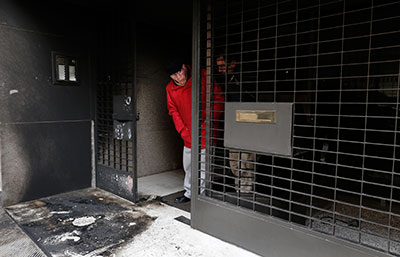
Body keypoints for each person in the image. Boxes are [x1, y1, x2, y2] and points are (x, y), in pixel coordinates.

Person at [165, 57, 224, 203]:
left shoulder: (203, 76)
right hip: (187, 133)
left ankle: (202, 195)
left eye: (180, 71)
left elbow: (219, 99)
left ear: (185, 66)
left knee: (204, 165)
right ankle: (190, 193)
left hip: (206, 128)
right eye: (174, 74)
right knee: (189, 165)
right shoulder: (169, 88)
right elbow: (173, 111)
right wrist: (183, 131)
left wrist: (207, 123)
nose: (179, 76)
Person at [215, 52, 256, 194]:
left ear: (233, 63)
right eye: (218, 66)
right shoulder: (222, 80)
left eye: (222, 66)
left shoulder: (245, 79)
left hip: (246, 125)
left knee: (246, 160)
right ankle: (238, 189)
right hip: (231, 126)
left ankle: (245, 192)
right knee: (234, 161)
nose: (219, 69)